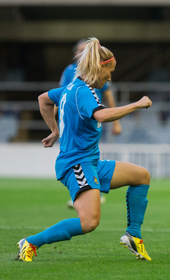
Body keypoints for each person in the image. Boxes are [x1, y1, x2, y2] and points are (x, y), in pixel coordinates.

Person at [16, 37, 153, 262]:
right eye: (110, 71)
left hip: (91, 162)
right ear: (99, 68)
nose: (110, 77)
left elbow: (43, 99)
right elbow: (101, 115)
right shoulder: (83, 91)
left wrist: (55, 130)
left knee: (141, 176)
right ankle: (30, 242)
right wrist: (136, 104)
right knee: (88, 222)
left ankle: (133, 235)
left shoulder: (71, 88)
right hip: (76, 164)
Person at [62, 39, 122, 208]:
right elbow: (60, 94)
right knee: (78, 156)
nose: (81, 53)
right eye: (79, 50)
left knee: (88, 155)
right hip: (75, 120)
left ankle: (90, 192)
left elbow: (108, 95)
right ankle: (84, 192)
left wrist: (116, 123)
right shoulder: (70, 72)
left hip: (93, 118)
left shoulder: (99, 71)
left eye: (85, 50)